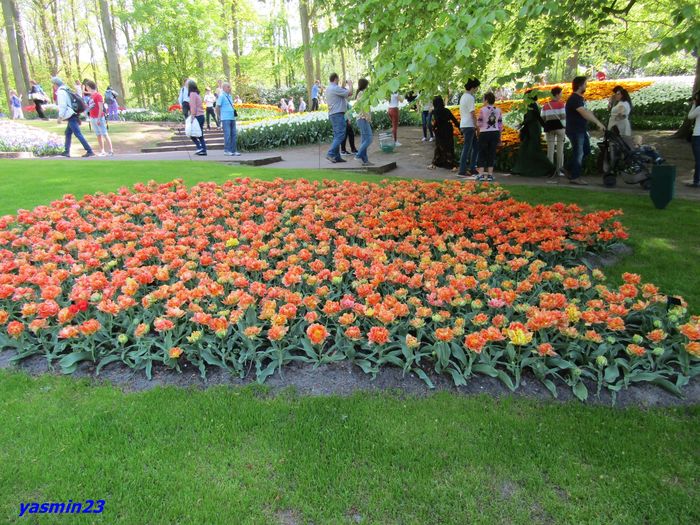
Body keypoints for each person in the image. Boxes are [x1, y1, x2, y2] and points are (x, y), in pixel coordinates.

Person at [565, 76, 605, 185]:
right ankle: (575, 177)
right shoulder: (574, 99)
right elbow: (584, 112)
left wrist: (597, 120)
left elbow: (587, 112)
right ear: (580, 85)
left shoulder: (580, 99)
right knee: (579, 153)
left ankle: (568, 169)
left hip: (581, 130)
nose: (586, 85)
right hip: (575, 130)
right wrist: (597, 122)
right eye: (585, 84)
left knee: (586, 150)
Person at [511, 91, 556, 179]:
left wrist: (521, 124)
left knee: (534, 151)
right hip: (530, 130)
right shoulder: (532, 105)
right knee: (525, 150)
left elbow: (531, 117)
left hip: (532, 131)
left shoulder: (532, 105)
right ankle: (521, 169)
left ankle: (551, 168)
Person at [52, 76, 94, 158]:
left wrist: (60, 117)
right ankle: (66, 151)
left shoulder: (61, 92)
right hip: (73, 113)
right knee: (68, 133)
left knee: (78, 133)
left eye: (53, 85)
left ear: (56, 85)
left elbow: (63, 105)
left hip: (71, 114)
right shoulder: (66, 89)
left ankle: (89, 150)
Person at [325, 73, 353, 163]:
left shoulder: (329, 88)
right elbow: (350, 93)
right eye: (338, 79)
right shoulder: (335, 88)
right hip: (338, 114)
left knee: (337, 135)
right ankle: (330, 153)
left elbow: (341, 93)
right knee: (341, 135)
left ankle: (337, 157)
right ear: (336, 79)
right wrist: (350, 84)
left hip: (333, 114)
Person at [427, 95, 460, 171]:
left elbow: (435, 122)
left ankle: (435, 163)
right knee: (449, 147)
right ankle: (452, 165)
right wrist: (460, 128)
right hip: (448, 129)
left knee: (439, 147)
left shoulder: (435, 111)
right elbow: (454, 120)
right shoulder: (447, 110)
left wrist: (433, 128)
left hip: (440, 131)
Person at [475, 92, 502, 182]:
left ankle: (481, 174)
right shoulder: (498, 110)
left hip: (484, 133)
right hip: (495, 133)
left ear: (486, 100)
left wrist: (477, 128)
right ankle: (490, 175)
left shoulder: (483, 110)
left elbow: (479, 123)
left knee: (482, 153)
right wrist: (499, 136)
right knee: (492, 153)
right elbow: (500, 124)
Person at [457, 78, 480, 177]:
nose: (477, 90)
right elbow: (472, 113)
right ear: (473, 87)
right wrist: (477, 126)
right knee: (467, 148)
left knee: (475, 147)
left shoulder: (463, 97)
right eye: (477, 88)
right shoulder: (470, 97)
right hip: (469, 125)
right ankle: (462, 170)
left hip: (464, 124)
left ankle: (472, 168)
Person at [83, 80, 113, 156]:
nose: (86, 88)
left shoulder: (98, 95)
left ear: (89, 87)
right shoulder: (91, 96)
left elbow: (100, 108)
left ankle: (110, 150)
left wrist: (99, 118)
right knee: (98, 134)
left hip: (99, 117)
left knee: (104, 134)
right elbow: (91, 106)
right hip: (92, 117)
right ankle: (102, 150)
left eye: (87, 87)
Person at [541, 86, 567, 175]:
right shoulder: (561, 104)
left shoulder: (545, 105)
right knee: (560, 150)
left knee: (550, 150)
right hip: (560, 129)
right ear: (557, 94)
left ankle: (550, 170)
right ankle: (559, 170)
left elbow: (543, 118)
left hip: (549, 129)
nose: (561, 95)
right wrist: (565, 127)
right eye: (561, 93)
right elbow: (563, 117)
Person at [216, 81, 240, 157]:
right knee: (228, 135)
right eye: (228, 87)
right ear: (224, 88)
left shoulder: (229, 96)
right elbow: (217, 107)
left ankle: (233, 150)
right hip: (225, 118)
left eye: (230, 87)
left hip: (232, 117)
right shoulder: (221, 96)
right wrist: (220, 116)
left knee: (234, 134)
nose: (230, 88)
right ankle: (227, 150)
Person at [353, 78, 373, 167]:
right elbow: (362, 107)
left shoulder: (362, 93)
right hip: (362, 119)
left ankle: (365, 160)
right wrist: (367, 117)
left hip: (363, 119)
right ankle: (358, 156)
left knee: (364, 140)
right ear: (365, 85)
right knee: (369, 139)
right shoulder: (362, 93)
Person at [187, 80, 207, 156]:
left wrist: (192, 116)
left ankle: (201, 148)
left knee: (191, 133)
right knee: (199, 133)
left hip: (197, 116)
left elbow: (193, 106)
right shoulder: (197, 94)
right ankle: (202, 148)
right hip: (201, 115)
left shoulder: (192, 94)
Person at [687, 91, 700, 188]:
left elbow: (690, 116)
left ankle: (697, 180)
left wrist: (693, 105)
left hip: (698, 136)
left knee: (698, 160)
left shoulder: (699, 108)